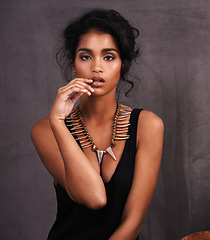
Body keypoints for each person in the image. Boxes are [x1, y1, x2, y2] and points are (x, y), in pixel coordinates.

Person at [31, 9, 164, 240]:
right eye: (85, 56)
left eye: (109, 56)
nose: (97, 67)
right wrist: (58, 122)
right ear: (74, 64)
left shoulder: (148, 126)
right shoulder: (46, 129)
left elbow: (132, 223)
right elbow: (94, 198)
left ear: (122, 64)